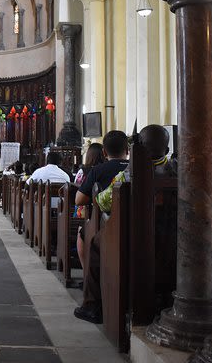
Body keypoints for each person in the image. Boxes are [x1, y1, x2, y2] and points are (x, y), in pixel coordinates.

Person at [73, 130, 129, 323]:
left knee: (84, 235)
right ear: (127, 149)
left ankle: (92, 302)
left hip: (107, 228)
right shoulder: (139, 169)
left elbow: (79, 200)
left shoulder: (99, 170)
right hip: (142, 230)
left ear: (104, 152)